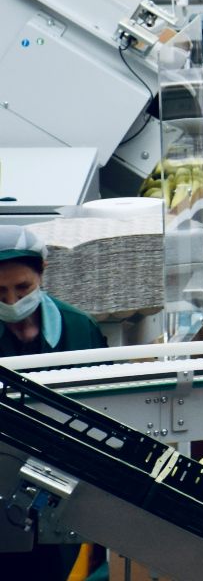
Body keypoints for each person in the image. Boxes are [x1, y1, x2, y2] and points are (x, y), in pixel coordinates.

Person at [0, 225, 106, 581]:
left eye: (22, 288)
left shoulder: (79, 329)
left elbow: (104, 411)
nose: (11, 302)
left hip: (63, 480)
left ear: (42, 271)